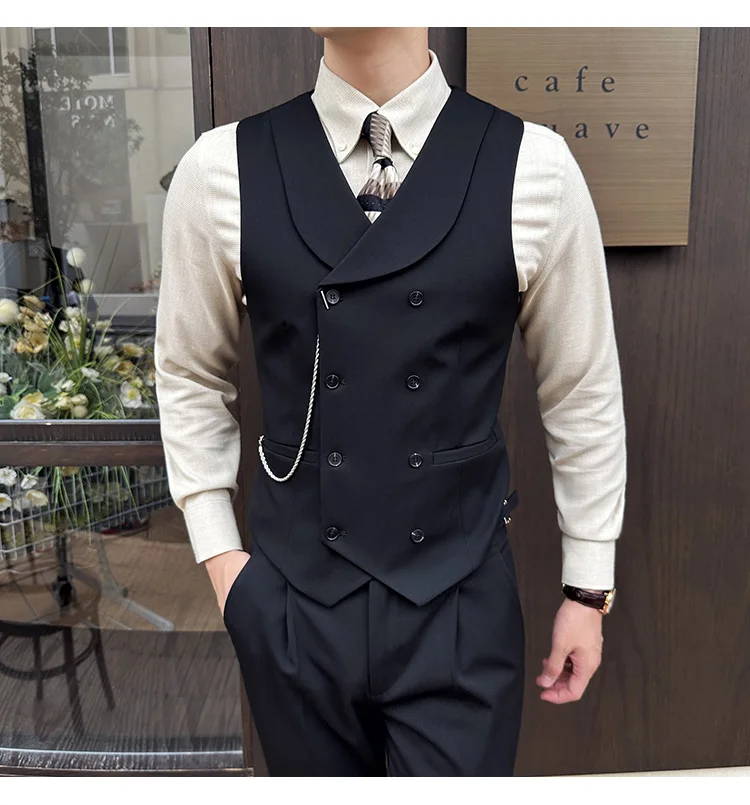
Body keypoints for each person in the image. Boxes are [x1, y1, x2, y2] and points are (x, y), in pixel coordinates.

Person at [154, 26, 626, 776]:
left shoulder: (535, 165)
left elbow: (582, 390)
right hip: (292, 604)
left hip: (460, 604)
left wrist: (588, 587)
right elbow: (189, 373)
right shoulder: (220, 167)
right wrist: (223, 563)